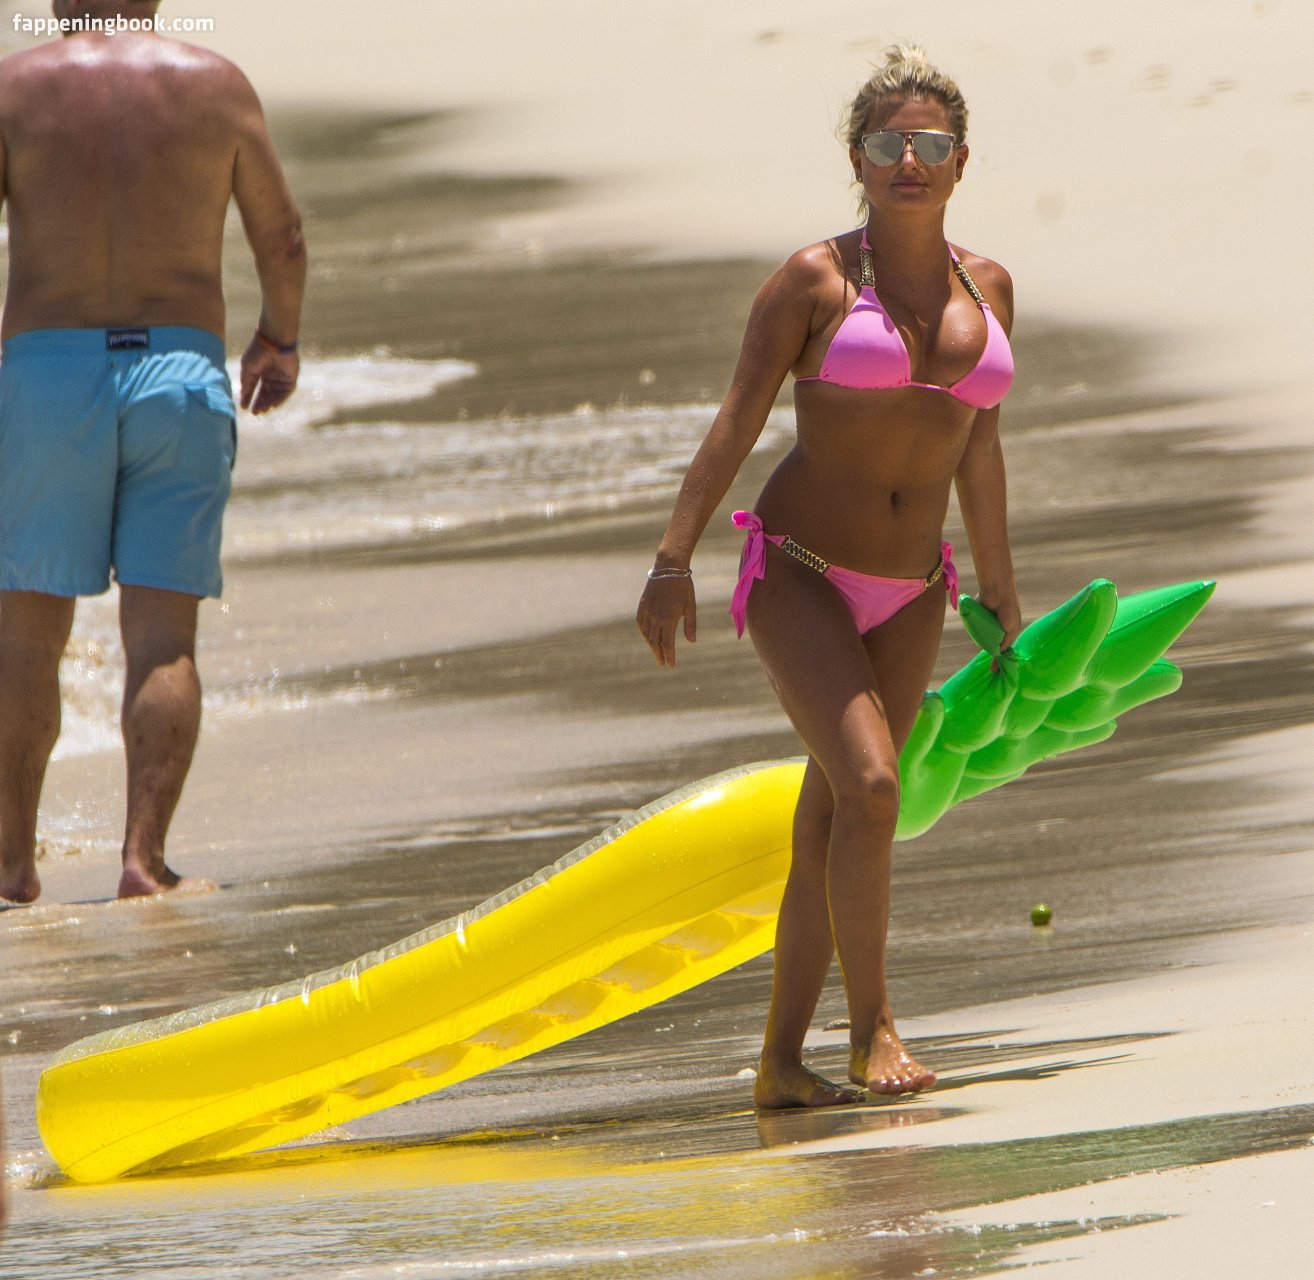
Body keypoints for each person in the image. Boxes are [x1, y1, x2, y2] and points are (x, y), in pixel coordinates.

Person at [636, 45, 1022, 1106]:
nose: (910, 161)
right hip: (800, 570)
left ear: (962, 160)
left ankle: (779, 1065)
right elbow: (736, 419)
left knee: (831, 820)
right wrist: (672, 558)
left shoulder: (989, 287)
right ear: (857, 160)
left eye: (930, 143)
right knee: (874, 787)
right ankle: (874, 1030)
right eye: (888, 144)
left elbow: (980, 448)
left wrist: (997, 587)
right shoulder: (815, 281)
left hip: (917, 587)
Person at [0, 0, 306, 905]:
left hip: (49, 373)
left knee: (26, 635)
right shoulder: (215, 85)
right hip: (177, 370)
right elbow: (283, 235)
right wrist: (278, 340)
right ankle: (143, 859)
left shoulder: (15, 88)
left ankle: (11, 865)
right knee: (164, 635)